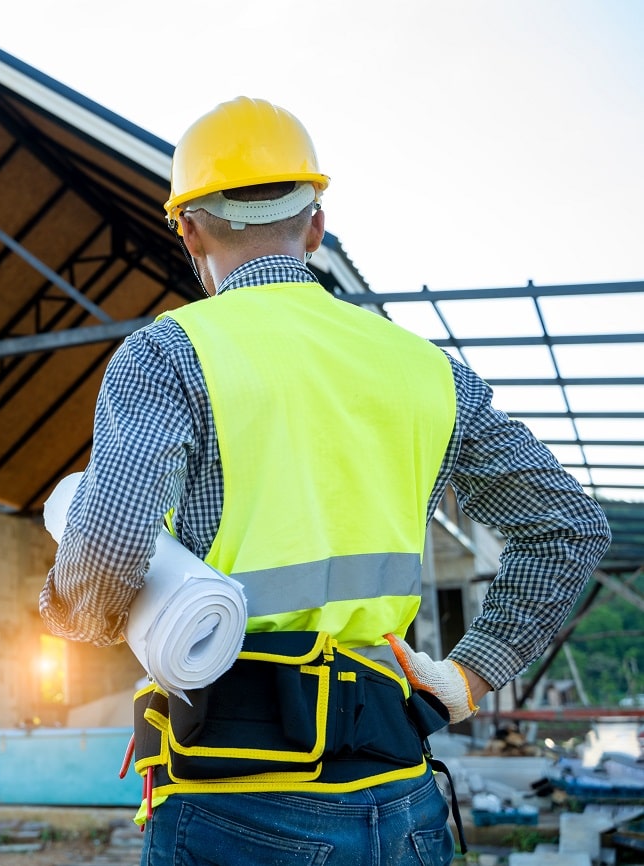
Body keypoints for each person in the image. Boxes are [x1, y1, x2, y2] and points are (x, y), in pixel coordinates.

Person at [38, 96, 611, 865]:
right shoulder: (425, 370)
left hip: (235, 795)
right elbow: (569, 527)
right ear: (315, 225)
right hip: (398, 792)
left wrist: (67, 610)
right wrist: (470, 676)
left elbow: (106, 553)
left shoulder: (170, 353)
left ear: (189, 229)